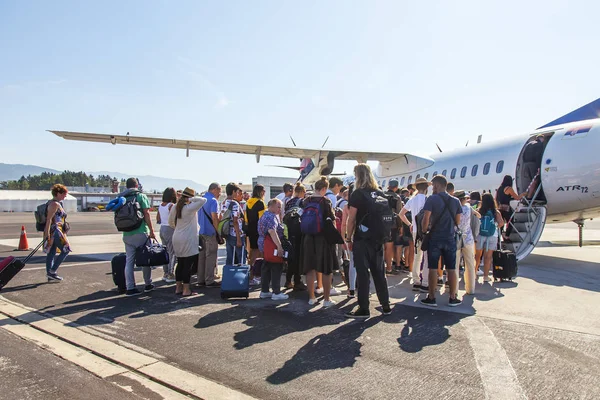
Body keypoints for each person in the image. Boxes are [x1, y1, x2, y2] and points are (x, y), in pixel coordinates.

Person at [345, 164, 392, 318]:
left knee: (363, 273)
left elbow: (351, 219)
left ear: (358, 176)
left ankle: (364, 308)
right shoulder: (380, 193)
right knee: (379, 272)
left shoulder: (358, 194)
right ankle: (385, 305)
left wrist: (348, 237)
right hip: (378, 239)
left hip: (362, 239)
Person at [420, 175, 462, 307]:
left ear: (437, 185)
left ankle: (432, 297)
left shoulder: (432, 199)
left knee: (433, 268)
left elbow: (426, 218)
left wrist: (424, 229)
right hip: (450, 238)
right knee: (451, 269)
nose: (432, 188)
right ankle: (453, 297)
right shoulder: (456, 201)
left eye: (433, 185)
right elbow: (458, 221)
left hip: (435, 238)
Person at [300, 176, 338, 308]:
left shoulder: (306, 200)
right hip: (323, 238)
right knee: (327, 269)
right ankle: (326, 299)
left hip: (308, 237)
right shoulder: (325, 201)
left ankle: (311, 297)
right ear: (323, 189)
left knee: (310, 268)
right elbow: (332, 221)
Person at [120, 178, 156, 297]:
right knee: (145, 258)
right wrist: (151, 230)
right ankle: (148, 284)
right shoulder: (141, 196)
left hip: (126, 233)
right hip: (141, 231)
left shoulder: (121, 197)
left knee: (129, 261)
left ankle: (130, 287)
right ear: (136, 185)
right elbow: (146, 213)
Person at [169, 187, 207, 296]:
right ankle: (186, 289)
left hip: (177, 236)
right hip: (188, 238)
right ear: (189, 197)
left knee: (180, 263)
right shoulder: (189, 208)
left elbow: (171, 222)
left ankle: (178, 287)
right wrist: (191, 199)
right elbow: (203, 200)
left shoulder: (175, 207)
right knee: (188, 264)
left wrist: (178, 228)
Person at [400, 177, 430, 291]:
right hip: (426, 231)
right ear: (427, 187)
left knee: (417, 256)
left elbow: (401, 214)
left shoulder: (412, 200)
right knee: (426, 257)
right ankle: (425, 282)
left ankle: (416, 280)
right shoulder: (428, 199)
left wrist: (409, 224)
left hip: (415, 230)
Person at [258, 199, 289, 301]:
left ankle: (265, 291)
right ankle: (276, 292)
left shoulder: (265, 215)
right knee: (276, 267)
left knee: (266, 267)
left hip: (264, 244)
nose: (280, 209)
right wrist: (279, 247)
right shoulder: (271, 217)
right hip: (271, 244)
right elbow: (272, 232)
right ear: (271, 206)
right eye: (278, 206)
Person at [43, 184, 71, 282]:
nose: (65, 196)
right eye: (64, 194)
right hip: (56, 231)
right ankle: (52, 271)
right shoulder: (54, 204)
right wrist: (47, 235)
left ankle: (50, 275)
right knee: (66, 249)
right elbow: (49, 220)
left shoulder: (56, 203)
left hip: (56, 231)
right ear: (58, 193)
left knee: (51, 252)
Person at [475, 193, 505, 281]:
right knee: (488, 257)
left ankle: (474, 274)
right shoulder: (495, 212)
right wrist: (494, 225)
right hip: (492, 236)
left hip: (480, 235)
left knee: (477, 256)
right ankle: (486, 276)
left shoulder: (478, 210)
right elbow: (501, 223)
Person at [454, 191, 480, 295]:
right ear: (463, 199)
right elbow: (478, 215)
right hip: (468, 238)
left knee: (454, 265)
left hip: (456, 238)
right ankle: (470, 288)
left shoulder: (454, 208)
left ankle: (454, 289)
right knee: (470, 264)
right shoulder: (469, 208)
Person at [283, 182, 307, 291]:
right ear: (301, 192)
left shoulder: (288, 202)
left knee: (291, 257)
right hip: (298, 232)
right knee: (298, 257)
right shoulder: (302, 202)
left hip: (288, 231)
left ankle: (288, 280)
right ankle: (297, 281)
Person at [197, 182, 222, 288]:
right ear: (214, 189)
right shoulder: (213, 201)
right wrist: (218, 232)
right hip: (210, 232)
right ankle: (209, 280)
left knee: (201, 257)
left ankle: (200, 279)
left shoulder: (200, 200)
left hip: (200, 231)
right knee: (211, 256)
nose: (220, 193)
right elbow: (214, 218)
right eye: (219, 190)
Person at [221, 183, 246, 266]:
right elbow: (235, 221)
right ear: (233, 191)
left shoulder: (223, 203)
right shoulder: (234, 204)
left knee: (230, 256)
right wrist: (239, 238)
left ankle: (229, 276)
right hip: (236, 233)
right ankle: (241, 276)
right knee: (241, 257)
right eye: (236, 192)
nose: (237, 194)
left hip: (227, 232)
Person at [496, 175, 525, 241]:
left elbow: (496, 198)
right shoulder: (508, 188)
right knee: (511, 221)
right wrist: (523, 194)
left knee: (501, 224)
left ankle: (498, 238)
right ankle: (506, 235)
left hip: (500, 208)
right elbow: (517, 197)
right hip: (506, 208)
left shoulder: (499, 188)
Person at [157, 187, 177, 283]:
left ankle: (165, 273)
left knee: (165, 252)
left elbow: (158, 219)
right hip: (170, 229)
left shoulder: (161, 205)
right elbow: (173, 219)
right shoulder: (171, 205)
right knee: (172, 252)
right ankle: (170, 273)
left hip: (162, 228)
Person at [340, 183, 357, 298]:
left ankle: (351, 289)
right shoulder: (366, 202)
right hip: (366, 236)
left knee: (353, 264)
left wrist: (344, 239)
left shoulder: (347, 206)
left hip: (352, 236)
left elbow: (344, 224)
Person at [384, 179, 403, 274]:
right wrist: (400, 226)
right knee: (389, 246)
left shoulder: (381, 195)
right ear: (396, 187)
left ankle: (381, 266)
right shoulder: (397, 197)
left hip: (380, 223)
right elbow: (399, 213)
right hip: (392, 224)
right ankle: (389, 268)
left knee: (382, 246)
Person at [245, 184, 267, 267]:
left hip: (250, 230)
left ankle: (250, 269)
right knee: (260, 252)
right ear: (260, 192)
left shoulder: (248, 203)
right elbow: (262, 219)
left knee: (252, 251)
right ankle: (255, 273)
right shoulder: (260, 203)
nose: (264, 192)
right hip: (259, 231)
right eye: (263, 190)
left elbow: (246, 219)